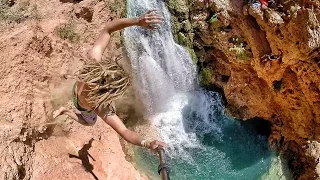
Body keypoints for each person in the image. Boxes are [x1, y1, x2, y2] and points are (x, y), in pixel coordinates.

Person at [53, 10, 167, 153]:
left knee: (87, 120)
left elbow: (108, 29)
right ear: (109, 94)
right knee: (89, 122)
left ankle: (64, 110)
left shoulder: (92, 63)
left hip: (76, 90)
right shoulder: (100, 108)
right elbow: (125, 132)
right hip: (82, 107)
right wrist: (147, 143)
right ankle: (65, 111)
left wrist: (138, 21)